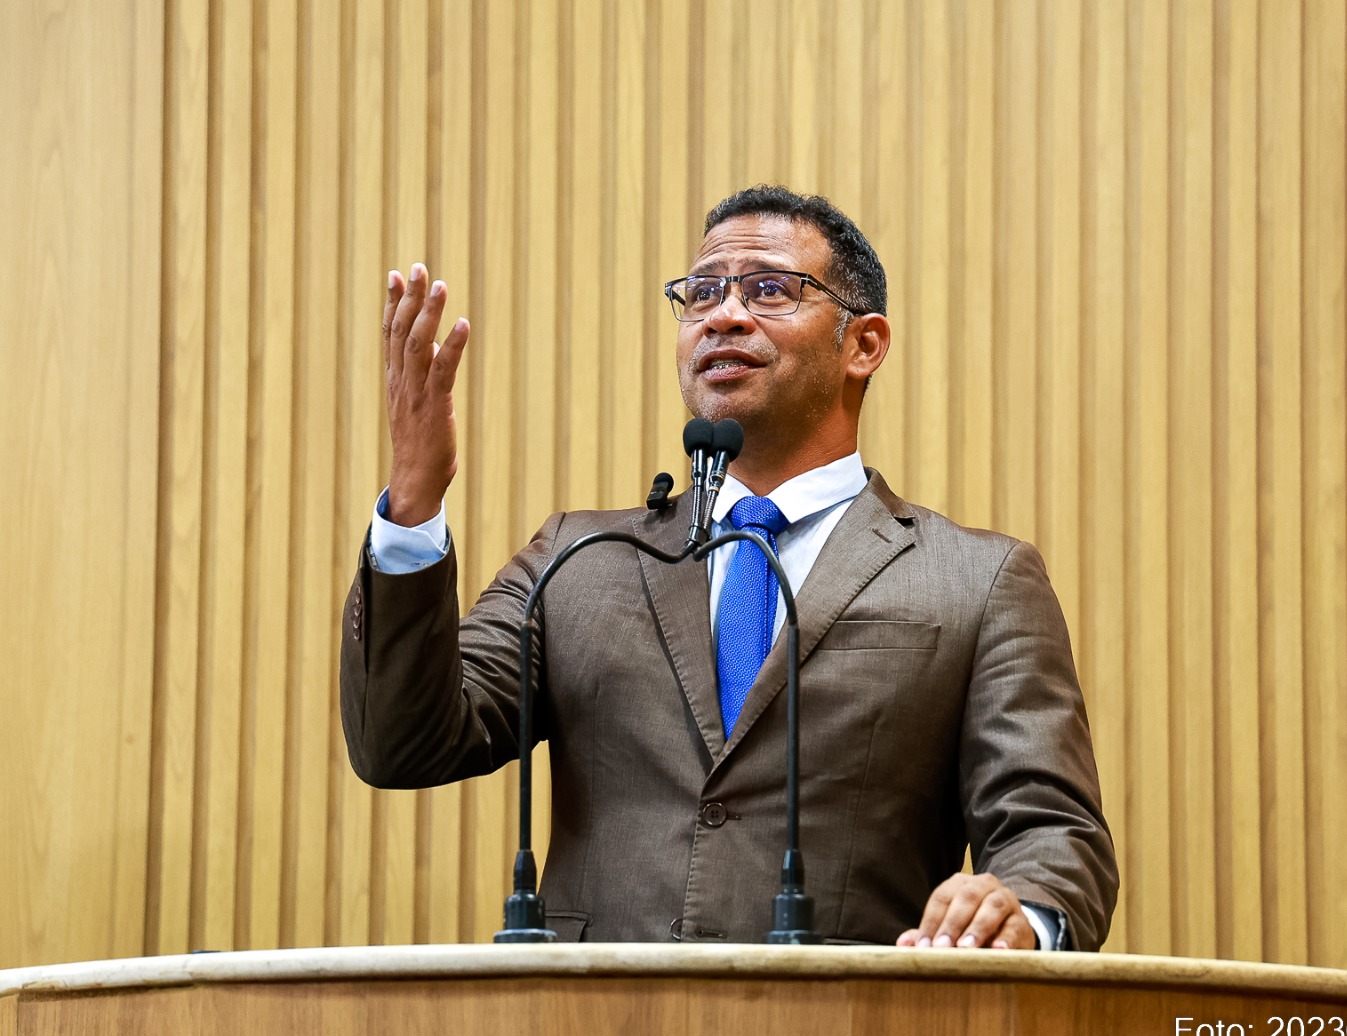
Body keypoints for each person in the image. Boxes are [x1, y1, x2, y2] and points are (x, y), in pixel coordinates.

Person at [341, 186, 1118, 950]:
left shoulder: (978, 581)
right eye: (703, 291)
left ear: (864, 344)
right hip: (594, 1033)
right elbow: (403, 744)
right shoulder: (576, 561)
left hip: (851, 1033)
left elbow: (1052, 835)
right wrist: (412, 507)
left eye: (770, 289)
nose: (724, 313)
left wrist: (1020, 915)